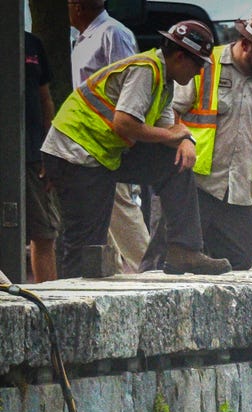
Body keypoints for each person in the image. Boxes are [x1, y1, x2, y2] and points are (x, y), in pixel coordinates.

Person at [41, 21, 230, 277]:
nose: (199, 73)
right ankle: (68, 304)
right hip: (74, 152)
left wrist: (186, 141)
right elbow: (124, 124)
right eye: (198, 64)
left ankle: (184, 251)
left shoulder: (166, 81)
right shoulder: (146, 69)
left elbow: (166, 132)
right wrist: (175, 135)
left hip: (103, 151)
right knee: (86, 244)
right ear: (179, 56)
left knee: (173, 163)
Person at [142, 10, 252, 272]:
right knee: (165, 259)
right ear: (246, 45)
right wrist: (180, 140)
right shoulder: (203, 64)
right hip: (195, 184)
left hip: (239, 192)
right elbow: (170, 111)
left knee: (242, 258)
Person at [69, 0, 151, 273]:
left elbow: (129, 82)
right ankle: (112, 273)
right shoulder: (81, 38)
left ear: (78, 7)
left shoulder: (113, 34)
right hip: (87, 138)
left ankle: (149, 267)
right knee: (100, 211)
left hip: (108, 137)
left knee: (120, 207)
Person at [24, 31, 60, 283]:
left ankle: (48, 304)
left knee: (44, 231)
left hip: (32, 154)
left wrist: (50, 151)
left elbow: (45, 97)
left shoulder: (32, 43)